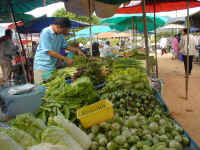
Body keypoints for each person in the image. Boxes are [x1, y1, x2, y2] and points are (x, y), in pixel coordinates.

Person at [34, 18, 85, 84]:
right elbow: (49, 51)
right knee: (41, 88)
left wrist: (77, 50)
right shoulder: (46, 32)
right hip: (41, 66)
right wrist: (66, 59)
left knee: (51, 86)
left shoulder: (60, 35)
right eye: (63, 31)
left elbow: (66, 46)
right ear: (58, 26)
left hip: (52, 66)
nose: (64, 33)